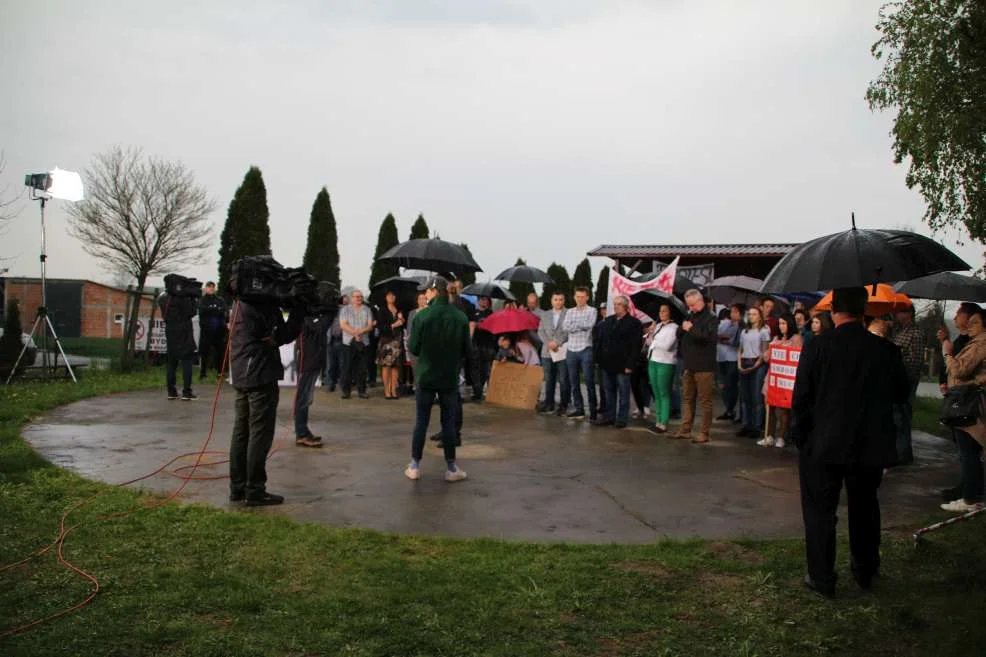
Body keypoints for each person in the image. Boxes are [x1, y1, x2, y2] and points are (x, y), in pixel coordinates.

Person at [791, 287, 909, 597]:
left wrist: (800, 436)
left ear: (834, 312)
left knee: (820, 512)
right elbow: (901, 394)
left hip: (823, 443)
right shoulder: (885, 350)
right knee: (865, 507)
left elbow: (801, 396)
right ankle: (865, 568)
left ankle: (821, 577)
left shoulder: (817, 346)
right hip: (869, 443)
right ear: (863, 312)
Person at [228, 295, 304, 506]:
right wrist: (298, 313)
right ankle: (254, 489)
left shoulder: (240, 301)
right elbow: (281, 335)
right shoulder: (261, 304)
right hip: (259, 374)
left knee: (241, 431)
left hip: (242, 372)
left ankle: (237, 488)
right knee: (259, 433)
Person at [405, 275, 470, 483]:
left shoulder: (422, 317)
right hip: (449, 376)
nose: (424, 294)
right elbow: (467, 350)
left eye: (427, 291)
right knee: (448, 422)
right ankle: (451, 467)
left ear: (434, 292)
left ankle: (414, 465)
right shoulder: (460, 317)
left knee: (421, 421)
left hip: (425, 374)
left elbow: (413, 348)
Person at [941, 308, 986, 512]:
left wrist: (947, 352)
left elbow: (960, 369)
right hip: (968, 398)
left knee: (969, 451)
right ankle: (972, 493)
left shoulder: (981, 343)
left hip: (971, 402)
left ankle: (970, 499)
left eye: (975, 323)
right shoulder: (974, 342)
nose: (970, 327)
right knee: (970, 452)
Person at [675, 289, 719, 443]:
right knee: (687, 398)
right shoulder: (690, 315)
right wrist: (682, 328)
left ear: (700, 301)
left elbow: (707, 337)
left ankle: (704, 432)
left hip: (704, 366)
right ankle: (686, 429)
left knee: (704, 400)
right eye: (689, 305)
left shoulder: (712, 318)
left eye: (692, 305)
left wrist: (690, 329)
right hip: (689, 364)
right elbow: (679, 334)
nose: (691, 308)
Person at [593, 295, 643, 428]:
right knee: (608, 391)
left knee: (623, 392)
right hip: (607, 363)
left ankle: (621, 419)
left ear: (626, 307)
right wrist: (598, 358)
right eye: (614, 304)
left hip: (623, 364)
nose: (615, 306)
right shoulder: (608, 321)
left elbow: (635, 346)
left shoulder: (634, 323)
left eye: (619, 304)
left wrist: (630, 365)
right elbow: (601, 341)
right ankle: (609, 416)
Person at [760, 312, 803, 448]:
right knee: (769, 407)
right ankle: (769, 435)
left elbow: (796, 356)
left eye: (784, 323)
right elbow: (766, 358)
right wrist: (771, 348)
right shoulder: (776, 338)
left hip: (786, 378)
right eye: (779, 323)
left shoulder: (796, 338)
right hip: (772, 376)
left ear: (790, 324)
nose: (781, 326)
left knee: (783, 409)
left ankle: (782, 436)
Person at [891, 306, 927, 466]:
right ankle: (900, 450)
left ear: (908, 314)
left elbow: (916, 361)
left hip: (906, 380)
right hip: (897, 379)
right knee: (897, 416)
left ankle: (903, 453)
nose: (896, 315)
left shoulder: (916, 333)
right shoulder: (900, 331)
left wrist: (904, 375)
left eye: (899, 312)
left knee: (903, 416)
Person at [293, 307, 331, 448]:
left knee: (307, 398)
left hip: (313, 360)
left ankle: (303, 431)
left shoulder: (313, 315)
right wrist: (329, 313)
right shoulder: (306, 316)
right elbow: (320, 327)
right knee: (303, 399)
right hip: (306, 361)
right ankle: (301, 434)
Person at [562, 286, 598, 421]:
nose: (580, 299)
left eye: (582, 297)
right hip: (571, 349)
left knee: (589, 381)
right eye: (577, 296)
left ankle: (593, 412)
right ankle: (579, 409)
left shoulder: (592, 310)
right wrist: (580, 325)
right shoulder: (570, 311)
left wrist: (574, 326)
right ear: (574, 297)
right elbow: (565, 327)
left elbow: (589, 325)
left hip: (585, 349)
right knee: (574, 382)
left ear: (587, 297)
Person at [737, 306, 772, 438]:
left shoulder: (764, 330)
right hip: (745, 360)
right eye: (750, 314)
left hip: (757, 362)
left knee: (756, 396)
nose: (751, 317)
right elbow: (740, 349)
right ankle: (746, 424)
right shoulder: (744, 331)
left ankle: (757, 427)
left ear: (760, 316)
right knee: (745, 397)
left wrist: (755, 366)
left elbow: (764, 351)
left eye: (754, 314)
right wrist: (739, 363)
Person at [158, 290, 198, 401]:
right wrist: (193, 300)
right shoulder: (183, 299)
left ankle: (171, 391)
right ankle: (186, 392)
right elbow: (192, 312)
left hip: (170, 331)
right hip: (184, 332)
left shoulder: (164, 298)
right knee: (187, 362)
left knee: (171, 363)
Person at [647, 303, 679, 434]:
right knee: (656, 392)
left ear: (670, 313)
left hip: (666, 362)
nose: (661, 313)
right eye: (660, 311)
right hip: (653, 360)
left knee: (664, 392)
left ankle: (664, 423)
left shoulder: (674, 328)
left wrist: (654, 341)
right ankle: (658, 421)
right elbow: (649, 343)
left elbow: (667, 346)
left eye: (664, 311)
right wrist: (650, 334)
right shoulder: (658, 326)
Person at [537, 291, 569, 414]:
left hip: (562, 351)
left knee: (563, 379)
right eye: (556, 299)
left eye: (560, 299)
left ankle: (563, 405)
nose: (558, 302)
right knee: (549, 379)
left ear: (564, 300)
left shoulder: (569, 313)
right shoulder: (545, 315)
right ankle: (549, 403)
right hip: (547, 351)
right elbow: (540, 331)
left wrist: (557, 342)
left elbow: (568, 331)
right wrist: (549, 343)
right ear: (552, 300)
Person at [339, 289, 374, 399]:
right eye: (356, 296)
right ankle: (346, 391)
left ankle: (362, 391)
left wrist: (360, 332)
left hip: (363, 342)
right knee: (347, 367)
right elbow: (343, 325)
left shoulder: (367, 310)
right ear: (351, 298)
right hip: (348, 343)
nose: (358, 298)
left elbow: (370, 325)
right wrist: (355, 333)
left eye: (360, 296)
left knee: (362, 368)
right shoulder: (345, 310)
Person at [376, 290, 406, 400]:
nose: (392, 297)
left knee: (395, 366)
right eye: (389, 295)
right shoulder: (382, 310)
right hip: (386, 340)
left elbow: (403, 325)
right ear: (385, 297)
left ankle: (393, 389)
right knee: (386, 365)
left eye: (393, 295)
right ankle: (387, 391)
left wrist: (402, 320)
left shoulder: (399, 310)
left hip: (397, 340)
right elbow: (380, 326)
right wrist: (394, 325)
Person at [716, 304, 743, 422]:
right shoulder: (725, 323)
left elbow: (734, 342)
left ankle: (731, 409)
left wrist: (724, 338)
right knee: (723, 385)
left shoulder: (741, 326)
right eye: (732, 312)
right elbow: (716, 335)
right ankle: (727, 409)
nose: (733, 314)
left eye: (736, 312)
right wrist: (723, 338)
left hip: (733, 358)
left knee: (731, 385)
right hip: (721, 357)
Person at [197, 282, 227, 381]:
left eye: (212, 287)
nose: (211, 289)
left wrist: (212, 310)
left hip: (218, 330)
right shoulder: (202, 300)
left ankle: (220, 372)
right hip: (206, 330)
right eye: (209, 287)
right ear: (206, 289)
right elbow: (202, 311)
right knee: (204, 352)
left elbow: (223, 311)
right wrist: (215, 309)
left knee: (220, 352)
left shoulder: (220, 300)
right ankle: (203, 373)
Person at [405, 292, 429, 392]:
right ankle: (418, 388)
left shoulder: (430, 312)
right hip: (415, 344)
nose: (422, 301)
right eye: (420, 298)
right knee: (415, 367)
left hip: (427, 344)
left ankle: (425, 388)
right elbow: (409, 329)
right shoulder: (412, 313)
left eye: (424, 298)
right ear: (417, 301)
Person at [323, 295, 347, 391]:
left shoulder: (344, 310)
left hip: (341, 340)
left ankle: (342, 383)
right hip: (330, 340)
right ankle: (330, 384)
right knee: (330, 365)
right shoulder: (328, 312)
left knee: (342, 364)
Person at [473, 296, 497, 394]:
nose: (482, 301)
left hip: (488, 346)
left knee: (487, 370)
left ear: (489, 301)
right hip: (476, 345)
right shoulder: (474, 313)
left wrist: (484, 324)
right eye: (481, 299)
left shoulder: (491, 314)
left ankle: (490, 392)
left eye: (485, 299)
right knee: (476, 370)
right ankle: (478, 392)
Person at [630, 321, 653, 420]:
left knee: (649, 385)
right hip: (636, 361)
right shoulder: (636, 329)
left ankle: (647, 406)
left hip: (649, 362)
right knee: (635, 385)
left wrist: (651, 334)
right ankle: (640, 408)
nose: (646, 328)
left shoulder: (653, 331)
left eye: (648, 326)